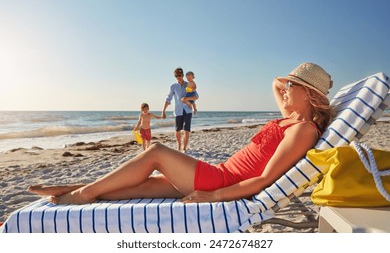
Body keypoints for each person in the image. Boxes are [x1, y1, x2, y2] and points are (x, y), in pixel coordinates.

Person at [28, 62, 335, 206]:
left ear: (309, 95)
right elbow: (275, 83)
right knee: (138, 186)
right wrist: (293, 80)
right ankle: (74, 188)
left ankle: (83, 192)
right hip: (216, 173)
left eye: (295, 86)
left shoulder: (303, 129)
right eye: (291, 84)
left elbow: (266, 179)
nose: (287, 89)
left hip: (220, 181)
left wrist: (214, 195)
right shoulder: (290, 117)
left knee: (157, 151)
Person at [162, 68, 198, 152]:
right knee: (178, 130)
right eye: (177, 76)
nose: (179, 77)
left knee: (186, 130)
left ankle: (184, 148)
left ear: (182, 75)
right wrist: (163, 110)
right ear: (175, 76)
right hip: (178, 110)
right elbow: (168, 98)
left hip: (188, 110)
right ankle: (179, 145)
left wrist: (187, 98)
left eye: (180, 75)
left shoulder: (188, 84)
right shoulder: (173, 86)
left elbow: (196, 96)